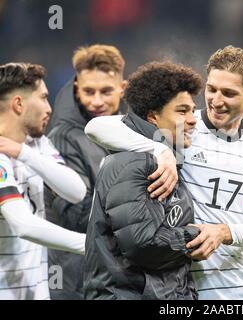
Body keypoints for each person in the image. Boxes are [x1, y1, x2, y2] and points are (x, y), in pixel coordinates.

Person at [85, 46, 243, 300]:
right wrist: (159, 149)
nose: (217, 100)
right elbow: (95, 127)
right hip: (187, 291)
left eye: (229, 93)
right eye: (211, 90)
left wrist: (223, 232)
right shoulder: (182, 129)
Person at [83, 61, 204, 300]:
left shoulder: (166, 159)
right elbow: (141, 245)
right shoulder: (135, 163)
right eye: (182, 111)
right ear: (153, 118)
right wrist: (198, 236)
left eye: (192, 110)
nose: (192, 120)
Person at [44, 44, 129, 300]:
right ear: (76, 89)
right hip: (74, 280)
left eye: (106, 91)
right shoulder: (63, 138)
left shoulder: (129, 134)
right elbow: (77, 216)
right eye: (88, 91)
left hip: (109, 276)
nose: (97, 101)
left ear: (122, 88)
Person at [0, 62, 87, 300]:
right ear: (18, 104)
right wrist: (89, 244)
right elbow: (23, 225)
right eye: (44, 98)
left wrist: (24, 153)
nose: (50, 108)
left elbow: (76, 191)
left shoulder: (36, 144)